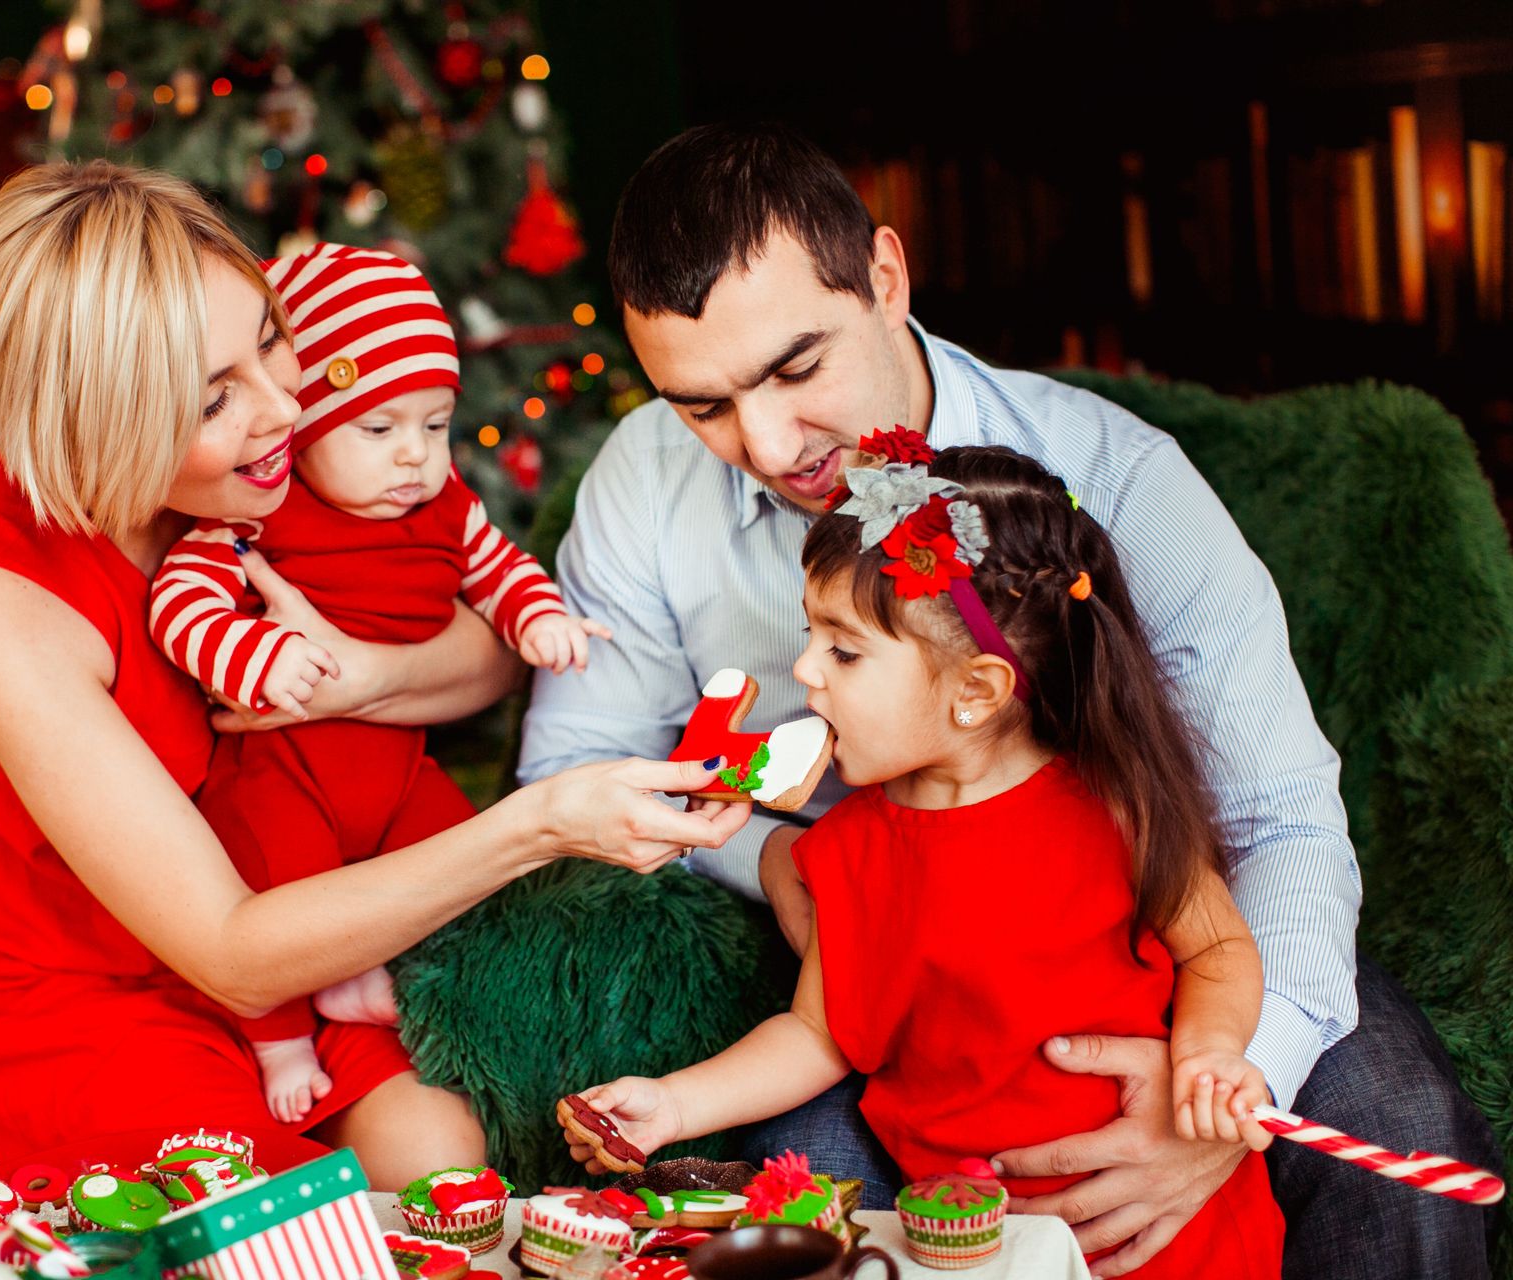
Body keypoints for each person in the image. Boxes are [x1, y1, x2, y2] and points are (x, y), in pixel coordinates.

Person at [520, 123, 1500, 1277]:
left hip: (1147, 951)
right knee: (804, 1185)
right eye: (703, 405)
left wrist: (1220, 1090)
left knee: (1392, 1110)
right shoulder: (644, 479)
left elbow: (1278, 820)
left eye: (796, 368)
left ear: (885, 277)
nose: (770, 444)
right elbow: (573, 783)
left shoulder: (1123, 480)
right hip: (886, 956)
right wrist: (776, 860)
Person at [0, 161, 748, 1184]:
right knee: (275, 1223)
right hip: (111, 981)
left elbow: (480, 654)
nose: (284, 405)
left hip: (309, 910)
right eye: (217, 397)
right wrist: (540, 826)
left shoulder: (271, 442)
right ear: (100, 429)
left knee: (444, 1161)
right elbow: (229, 948)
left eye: (269, 338)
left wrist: (357, 677)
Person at [568, 438, 1284, 1277]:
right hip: (975, 1244)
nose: (804, 671)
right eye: (812, 635)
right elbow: (816, 1034)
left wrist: (1209, 1053)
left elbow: (1221, 948)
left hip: (1172, 1242)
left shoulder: (1116, 812)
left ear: (975, 692)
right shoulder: (848, 852)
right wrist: (672, 1103)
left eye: (843, 650)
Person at [149, 241, 609, 1125]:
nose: (414, 458)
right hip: (292, 771)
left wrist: (539, 617)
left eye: (435, 426)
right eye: (380, 429)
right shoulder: (264, 514)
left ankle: (406, 979)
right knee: (278, 874)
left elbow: (498, 569)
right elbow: (182, 602)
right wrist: (256, 657)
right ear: (309, 425)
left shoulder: (446, 508)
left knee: (461, 858)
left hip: (395, 768)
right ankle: (280, 1041)